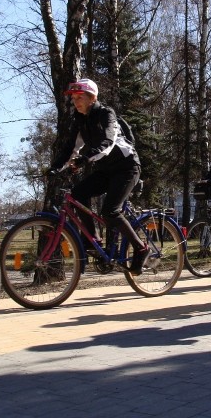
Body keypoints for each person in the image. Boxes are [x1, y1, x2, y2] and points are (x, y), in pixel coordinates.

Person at [51, 78, 148, 275]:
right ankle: (93, 240)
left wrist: (85, 159)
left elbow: (108, 142)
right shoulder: (80, 120)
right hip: (106, 170)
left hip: (126, 167)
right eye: (74, 98)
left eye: (80, 97)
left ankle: (141, 248)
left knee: (110, 211)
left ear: (92, 97)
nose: (76, 102)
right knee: (78, 194)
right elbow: (70, 148)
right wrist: (54, 168)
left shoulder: (106, 114)